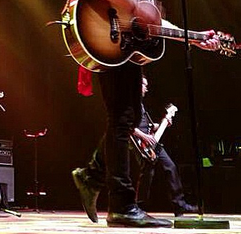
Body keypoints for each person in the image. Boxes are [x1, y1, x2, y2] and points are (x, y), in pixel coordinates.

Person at [72, 0, 219, 228]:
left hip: (127, 48)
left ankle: (92, 176)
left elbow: (152, 20)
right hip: (109, 41)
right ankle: (121, 204)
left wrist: (194, 38)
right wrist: (132, 3)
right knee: (123, 118)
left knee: (127, 117)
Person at [73, 75, 198, 223]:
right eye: (143, 84)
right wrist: (144, 137)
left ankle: (98, 182)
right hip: (141, 141)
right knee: (122, 121)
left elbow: (143, 126)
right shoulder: (132, 101)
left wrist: (162, 123)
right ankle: (120, 199)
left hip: (150, 142)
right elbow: (129, 126)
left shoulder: (140, 106)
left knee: (165, 167)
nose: (146, 88)